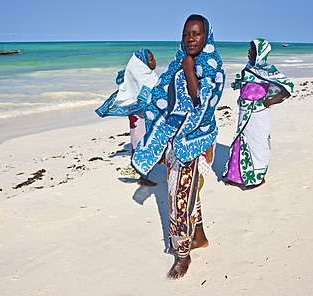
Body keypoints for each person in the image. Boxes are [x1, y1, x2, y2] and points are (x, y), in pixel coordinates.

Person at [131, 15, 225, 279]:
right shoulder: (176, 63)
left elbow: (202, 102)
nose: (191, 39)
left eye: (196, 33)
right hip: (173, 135)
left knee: (178, 196)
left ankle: (182, 255)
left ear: (207, 35)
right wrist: (157, 138)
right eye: (186, 34)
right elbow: (161, 99)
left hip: (194, 138)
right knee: (189, 189)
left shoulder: (212, 66)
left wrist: (188, 68)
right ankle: (199, 236)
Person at [223, 39, 294, 188]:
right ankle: (236, 177)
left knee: (257, 146)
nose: (249, 52)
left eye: (252, 50)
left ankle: (257, 178)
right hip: (245, 112)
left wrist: (270, 101)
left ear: (260, 53)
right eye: (249, 49)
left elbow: (288, 86)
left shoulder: (268, 71)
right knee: (241, 142)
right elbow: (244, 83)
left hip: (258, 115)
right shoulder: (249, 67)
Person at [95, 49, 158, 186]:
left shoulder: (136, 76)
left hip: (137, 116)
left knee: (138, 142)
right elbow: (149, 95)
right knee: (141, 142)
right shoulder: (147, 78)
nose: (155, 62)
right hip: (140, 117)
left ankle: (143, 172)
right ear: (143, 64)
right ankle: (143, 177)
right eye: (152, 60)